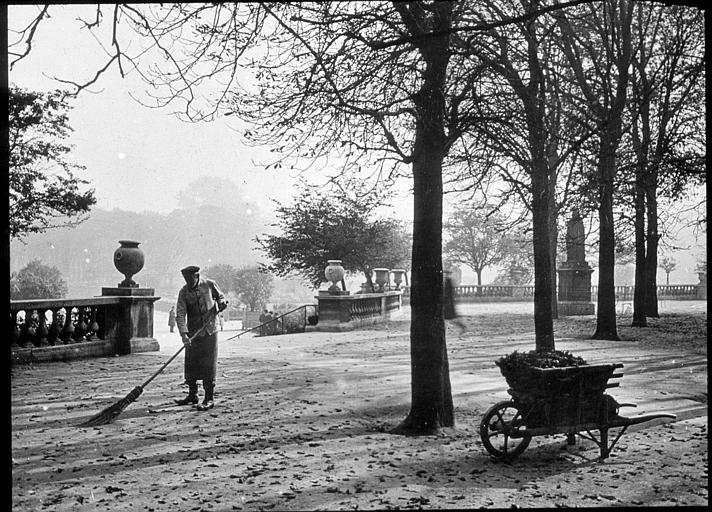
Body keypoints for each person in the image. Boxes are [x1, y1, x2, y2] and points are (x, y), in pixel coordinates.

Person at [174, 265, 228, 411]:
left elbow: (221, 297)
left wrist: (222, 303)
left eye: (190, 279)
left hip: (210, 331)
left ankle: (209, 398)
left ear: (197, 276)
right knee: (191, 363)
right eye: (185, 279)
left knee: (208, 365)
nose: (188, 282)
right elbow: (180, 314)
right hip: (193, 333)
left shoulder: (209, 284)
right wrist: (184, 334)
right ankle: (193, 395)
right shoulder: (184, 292)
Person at [443, 270, 466, 334]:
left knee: (450, 319)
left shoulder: (448, 281)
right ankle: (462, 326)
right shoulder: (448, 281)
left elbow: (448, 293)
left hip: (448, 304)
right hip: (448, 303)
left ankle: (462, 326)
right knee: (450, 319)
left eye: (446, 274)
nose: (445, 275)